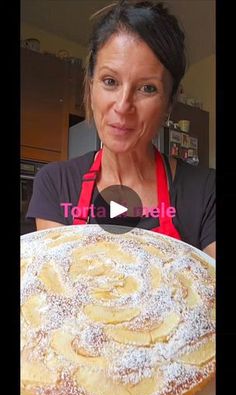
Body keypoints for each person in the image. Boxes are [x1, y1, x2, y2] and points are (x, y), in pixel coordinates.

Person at [26, 0, 215, 258]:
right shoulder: (56, 184)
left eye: (147, 88)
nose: (123, 106)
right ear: (91, 86)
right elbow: (58, 290)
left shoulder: (205, 192)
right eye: (110, 81)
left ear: (169, 103)